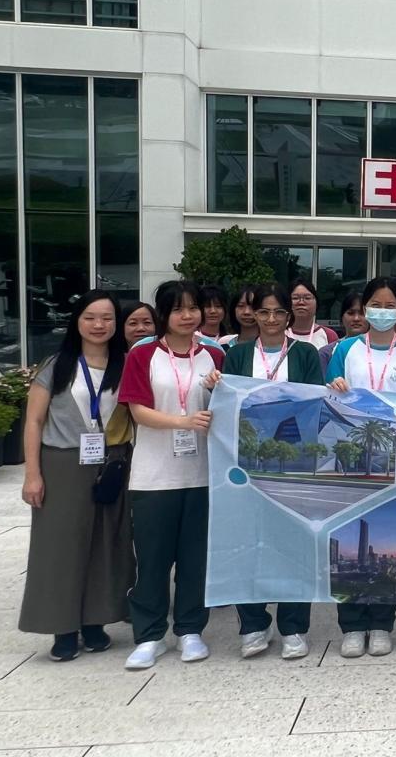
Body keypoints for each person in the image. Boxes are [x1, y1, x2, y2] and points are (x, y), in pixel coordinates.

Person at [18, 290, 133, 661]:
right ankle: (63, 627)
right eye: (90, 317)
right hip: (64, 463)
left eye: (107, 318)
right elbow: (34, 421)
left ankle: (95, 622)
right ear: (77, 321)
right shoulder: (58, 365)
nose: (99, 325)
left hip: (112, 462)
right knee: (60, 547)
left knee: (106, 544)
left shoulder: (126, 363)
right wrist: (32, 474)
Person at [118, 281, 225, 669]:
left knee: (196, 559)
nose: (188, 316)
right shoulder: (143, 354)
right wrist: (183, 421)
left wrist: (216, 392)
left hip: (203, 473)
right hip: (154, 475)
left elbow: (225, 411)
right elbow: (136, 410)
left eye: (194, 308)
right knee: (152, 558)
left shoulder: (215, 355)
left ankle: (190, 630)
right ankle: (149, 635)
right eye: (178, 309)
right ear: (163, 314)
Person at [219, 283, 322, 661]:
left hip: (295, 461)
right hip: (247, 461)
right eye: (264, 312)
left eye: (279, 312)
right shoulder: (237, 354)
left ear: (289, 316)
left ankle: (294, 627)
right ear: (253, 315)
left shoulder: (305, 353)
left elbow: (314, 403)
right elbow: (229, 403)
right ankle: (253, 624)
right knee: (248, 542)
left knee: (295, 542)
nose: (272, 319)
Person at [326, 276, 396, 657]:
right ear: (364, 308)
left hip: (393, 455)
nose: (383, 312)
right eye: (376, 305)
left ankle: (383, 623)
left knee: (388, 538)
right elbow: (327, 398)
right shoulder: (345, 349)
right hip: (350, 457)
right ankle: (352, 624)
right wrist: (334, 388)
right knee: (347, 533)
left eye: (390, 306)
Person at [320, 292, 367, 374]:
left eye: (362, 313)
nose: (356, 318)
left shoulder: (382, 351)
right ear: (341, 318)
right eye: (351, 313)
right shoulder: (327, 353)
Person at [287, 279, 339, 348]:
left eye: (307, 298)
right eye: (295, 298)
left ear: (316, 303)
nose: (301, 302)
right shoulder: (279, 333)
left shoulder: (329, 335)